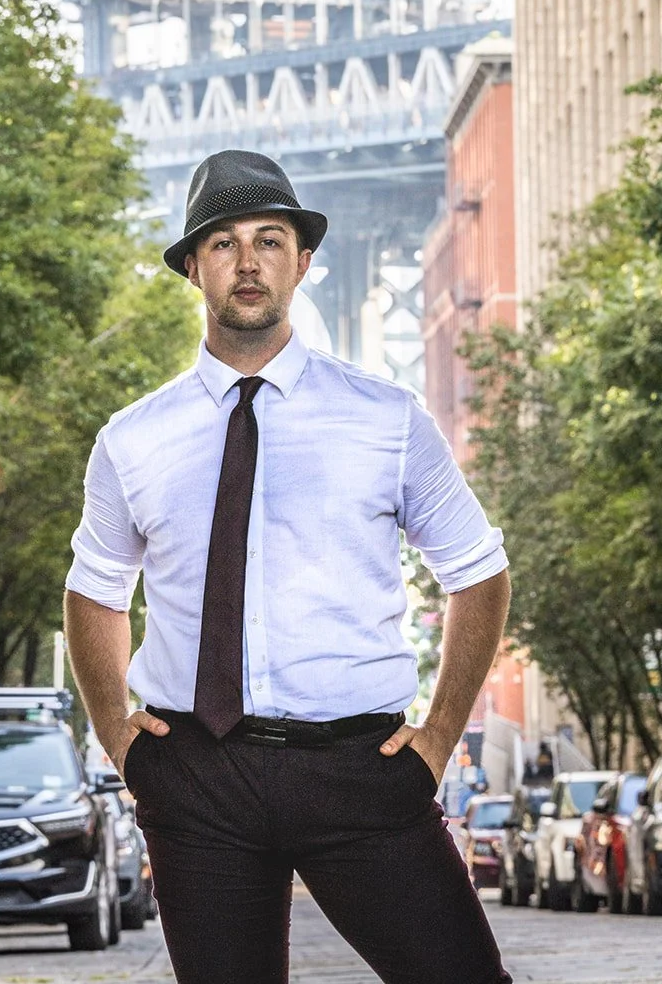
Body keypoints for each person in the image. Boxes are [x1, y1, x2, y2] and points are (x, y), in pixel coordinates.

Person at [64, 149, 513, 984]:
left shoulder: (386, 419)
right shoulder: (132, 439)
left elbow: (478, 571)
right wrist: (119, 738)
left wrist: (439, 738)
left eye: (268, 240)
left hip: (361, 772)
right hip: (196, 777)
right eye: (224, 242)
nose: (246, 261)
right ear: (193, 266)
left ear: (301, 262)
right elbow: (93, 591)